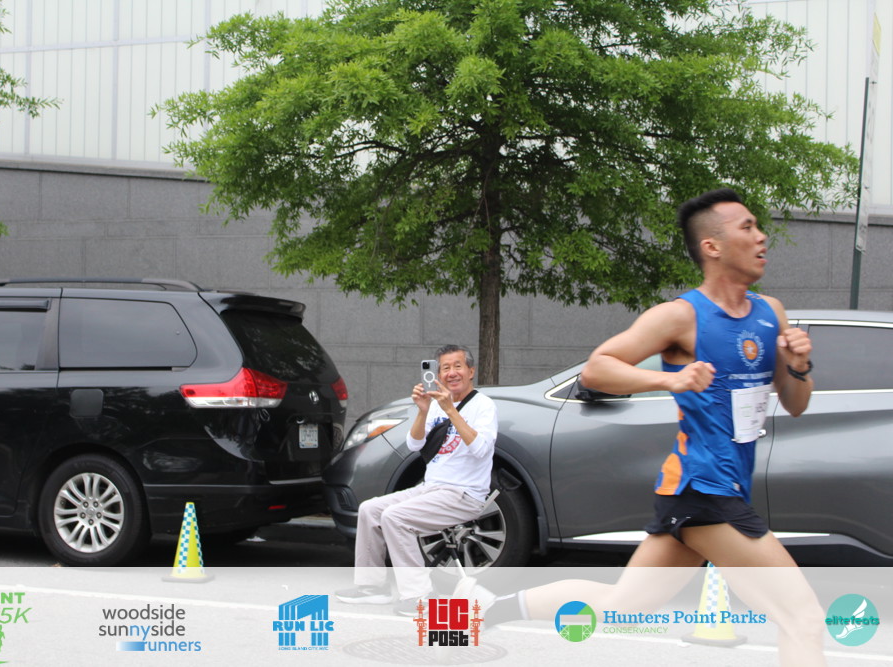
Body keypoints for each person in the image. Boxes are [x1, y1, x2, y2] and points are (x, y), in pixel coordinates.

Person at [459, 189, 825, 666]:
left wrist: (798, 366)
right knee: (803, 618)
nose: (762, 237)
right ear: (712, 246)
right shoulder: (681, 316)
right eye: (748, 227)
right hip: (704, 488)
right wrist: (669, 379)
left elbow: (795, 404)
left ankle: (490, 607)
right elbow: (598, 369)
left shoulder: (769, 313)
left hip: (711, 488)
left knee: (623, 603)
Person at [336, 344, 498, 616]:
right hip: (430, 489)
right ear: (438, 374)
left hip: (463, 494)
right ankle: (372, 587)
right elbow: (414, 444)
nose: (451, 373)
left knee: (395, 517)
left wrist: (451, 410)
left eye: (457, 366)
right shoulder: (434, 405)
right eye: (445, 368)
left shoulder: (484, 406)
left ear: (471, 371)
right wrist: (423, 411)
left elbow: (481, 449)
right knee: (369, 509)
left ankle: (420, 596)